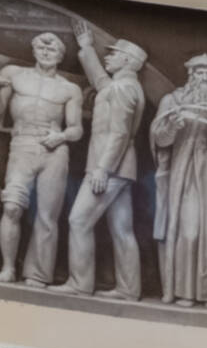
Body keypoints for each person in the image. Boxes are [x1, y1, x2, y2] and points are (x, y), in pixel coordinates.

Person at [0, 32, 86, 287]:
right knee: (12, 206)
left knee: (47, 216)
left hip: (54, 151)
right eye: (42, 48)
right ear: (34, 51)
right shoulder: (16, 75)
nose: (46, 52)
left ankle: (37, 274)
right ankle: (8, 267)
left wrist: (61, 135)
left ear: (60, 56)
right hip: (21, 144)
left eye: (52, 49)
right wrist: (0, 88)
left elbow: (77, 129)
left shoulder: (69, 88)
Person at [65, 40, 151, 300]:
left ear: (127, 60)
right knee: (122, 230)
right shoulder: (122, 85)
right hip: (121, 169)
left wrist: (102, 169)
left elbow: (120, 133)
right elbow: (102, 82)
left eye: (113, 54)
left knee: (78, 221)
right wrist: (87, 49)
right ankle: (128, 290)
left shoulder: (124, 88)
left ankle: (80, 284)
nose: (108, 57)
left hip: (108, 167)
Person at [150, 55, 207, 305]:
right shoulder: (173, 100)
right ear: (190, 75)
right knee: (189, 230)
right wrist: (172, 127)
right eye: (199, 72)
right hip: (184, 171)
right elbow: (160, 140)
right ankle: (185, 290)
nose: (204, 77)